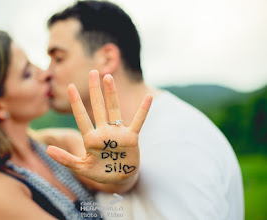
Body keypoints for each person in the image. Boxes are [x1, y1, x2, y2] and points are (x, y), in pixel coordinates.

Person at [39, 1, 244, 219]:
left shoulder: (176, 144)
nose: (47, 73)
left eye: (58, 58)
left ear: (107, 58)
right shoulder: (149, 135)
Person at [0, 29, 153, 220]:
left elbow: (116, 182)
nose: (47, 73)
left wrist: (122, 163)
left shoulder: (58, 144)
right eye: (28, 73)